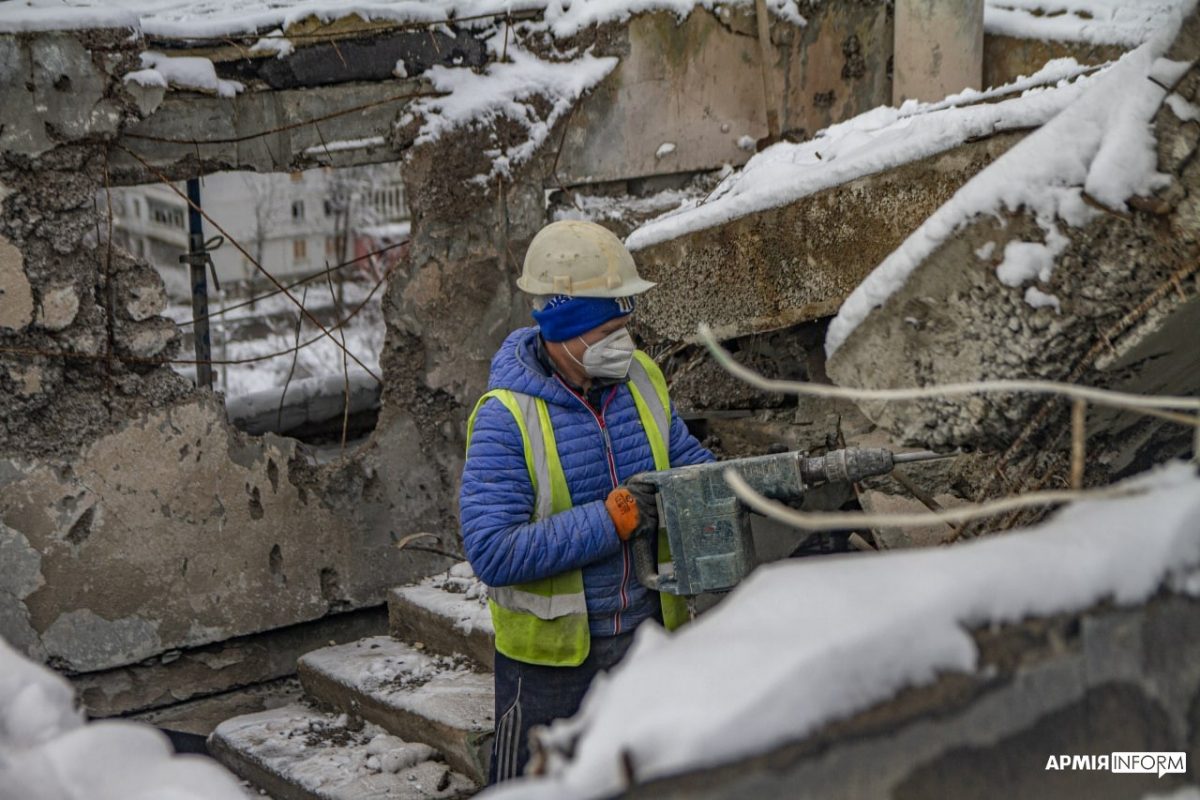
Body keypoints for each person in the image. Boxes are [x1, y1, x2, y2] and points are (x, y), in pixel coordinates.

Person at [459, 220, 714, 783]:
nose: (624, 343)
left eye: (627, 325)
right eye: (608, 331)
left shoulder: (642, 378)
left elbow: (685, 459)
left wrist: (737, 485)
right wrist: (609, 521)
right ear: (563, 329)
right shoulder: (508, 416)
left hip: (647, 638)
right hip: (551, 668)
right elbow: (491, 550)